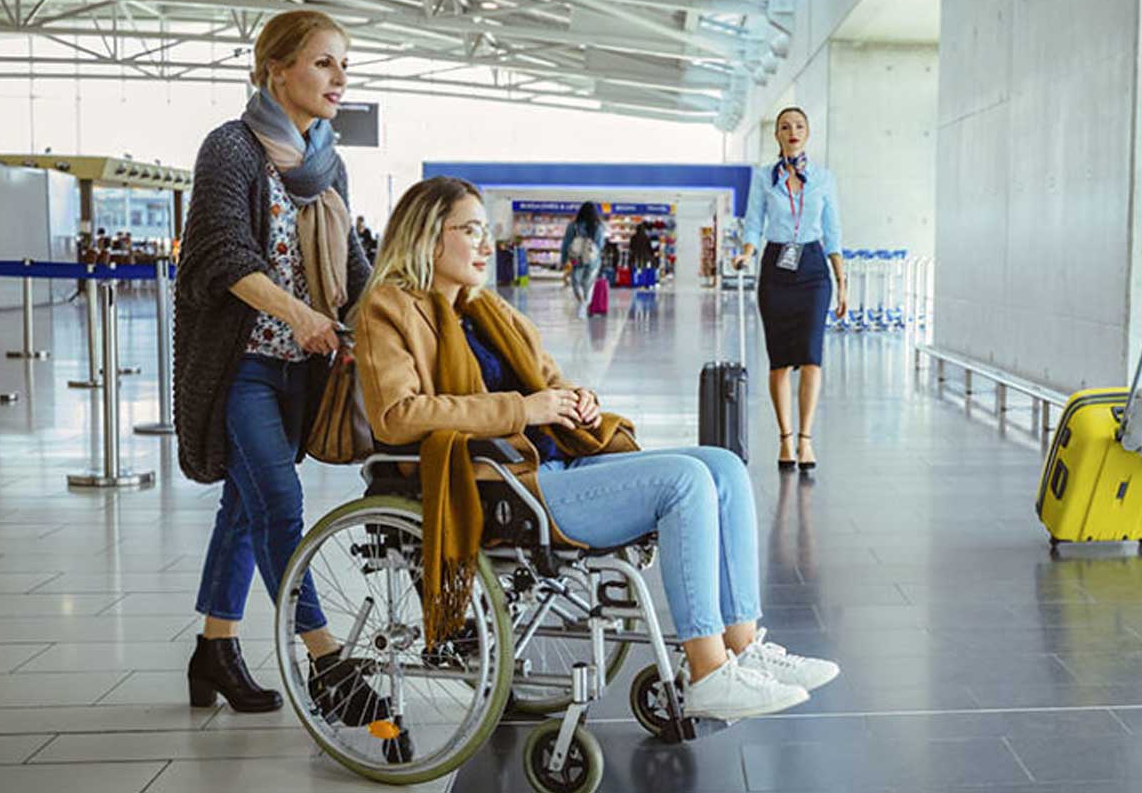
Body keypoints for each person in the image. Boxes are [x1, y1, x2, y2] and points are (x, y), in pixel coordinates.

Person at [353, 176, 840, 720]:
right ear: (427, 237)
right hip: (505, 483)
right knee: (684, 482)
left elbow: (547, 380)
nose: (487, 245)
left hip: (554, 458)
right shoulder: (389, 310)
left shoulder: (486, 311)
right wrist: (524, 409)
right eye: (471, 230)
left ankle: (744, 648)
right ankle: (706, 670)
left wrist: (573, 399)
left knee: (722, 466)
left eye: (484, 230)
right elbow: (397, 417)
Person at [175, 9, 378, 714]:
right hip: (238, 366)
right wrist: (299, 314)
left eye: (343, 64)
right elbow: (219, 255)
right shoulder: (230, 149)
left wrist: (396, 312)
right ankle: (328, 662)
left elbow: (351, 267)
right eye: (324, 62)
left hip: (302, 371)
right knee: (280, 506)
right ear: (276, 69)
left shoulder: (327, 160)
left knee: (245, 504)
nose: (339, 78)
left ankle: (213, 649)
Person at [741, 107, 846, 472]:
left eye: (799, 125)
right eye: (785, 127)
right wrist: (747, 253)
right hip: (775, 267)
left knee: (812, 356)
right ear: (778, 136)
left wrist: (842, 284)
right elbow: (754, 221)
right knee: (781, 360)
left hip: (814, 269)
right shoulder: (762, 178)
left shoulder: (824, 178)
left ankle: (806, 439)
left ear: (808, 132)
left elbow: (833, 233)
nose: (792, 131)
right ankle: (785, 439)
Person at [562, 201, 607, 316]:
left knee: (576, 282)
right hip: (593, 260)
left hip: (576, 259)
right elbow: (600, 245)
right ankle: (587, 302)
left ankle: (582, 301)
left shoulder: (573, 225)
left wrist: (563, 260)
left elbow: (566, 243)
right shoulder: (599, 227)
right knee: (588, 283)